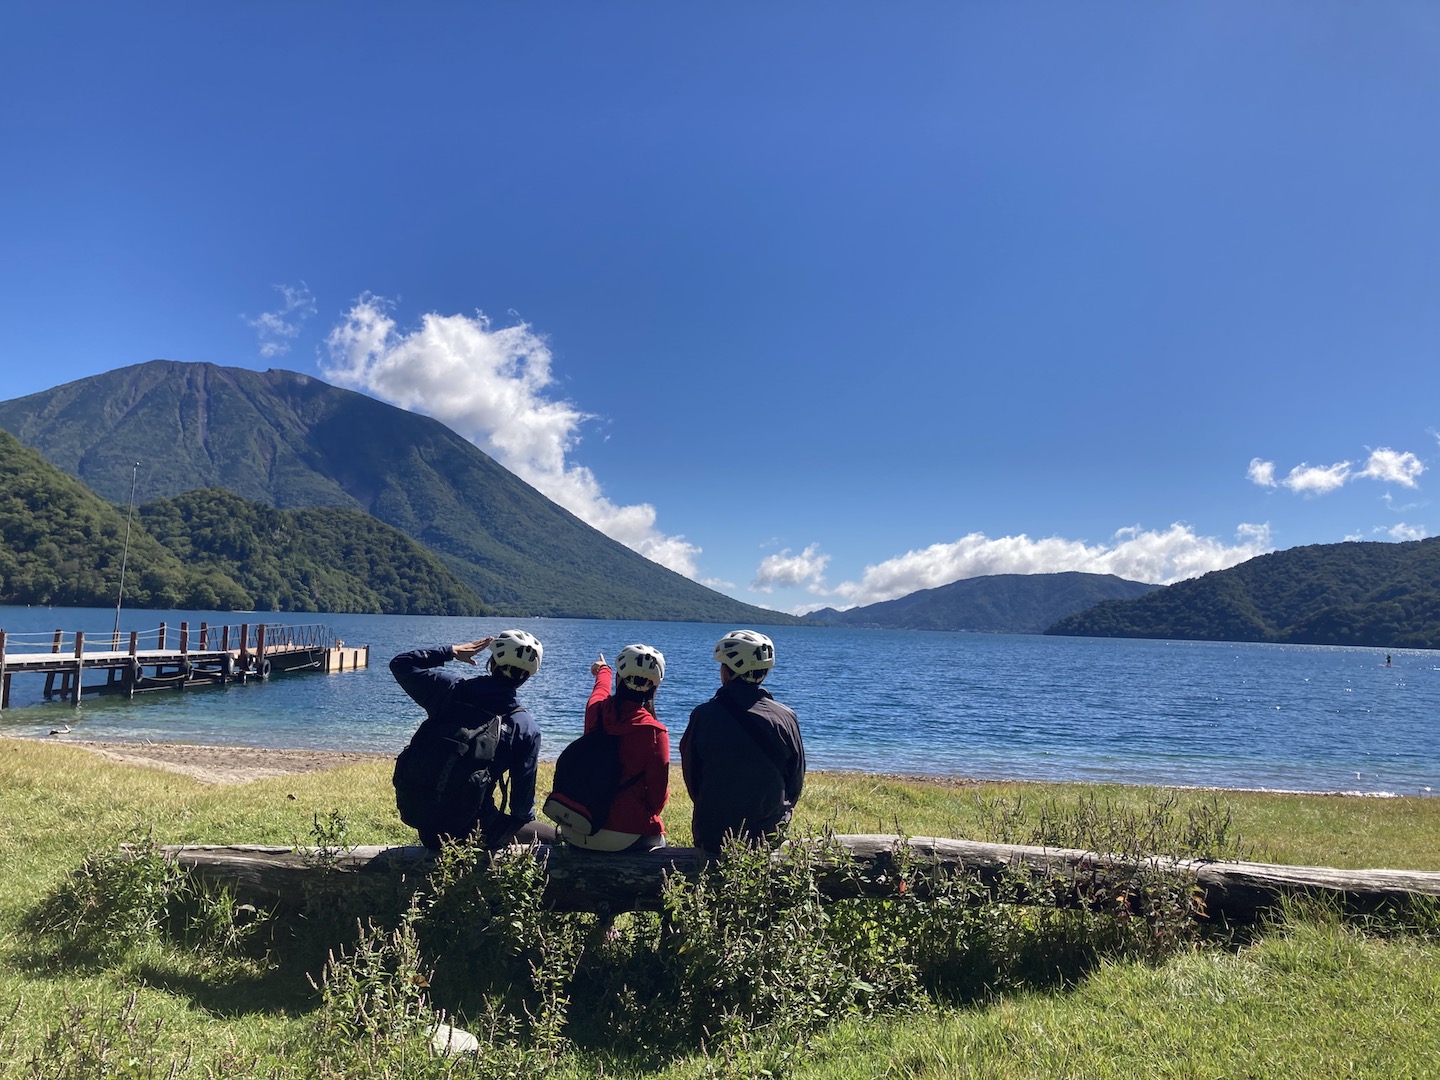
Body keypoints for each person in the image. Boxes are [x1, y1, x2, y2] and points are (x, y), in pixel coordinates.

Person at [389, 630, 556, 850]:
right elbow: (521, 809)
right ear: (528, 676)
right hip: (475, 830)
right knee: (558, 839)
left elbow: (401, 664)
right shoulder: (524, 727)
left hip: (423, 822)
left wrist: (451, 652)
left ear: (492, 662)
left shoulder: (451, 691)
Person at [681, 629, 805, 856]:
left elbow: (693, 776)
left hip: (713, 832)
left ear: (728, 672)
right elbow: (795, 781)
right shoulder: (786, 717)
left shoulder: (703, 715)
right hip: (768, 833)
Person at [554, 644, 670, 852]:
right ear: (654, 687)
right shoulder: (654, 732)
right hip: (627, 833)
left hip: (579, 827)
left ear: (619, 678)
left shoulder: (596, 712)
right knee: (662, 847)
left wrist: (603, 669)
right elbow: (657, 799)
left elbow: (600, 690)